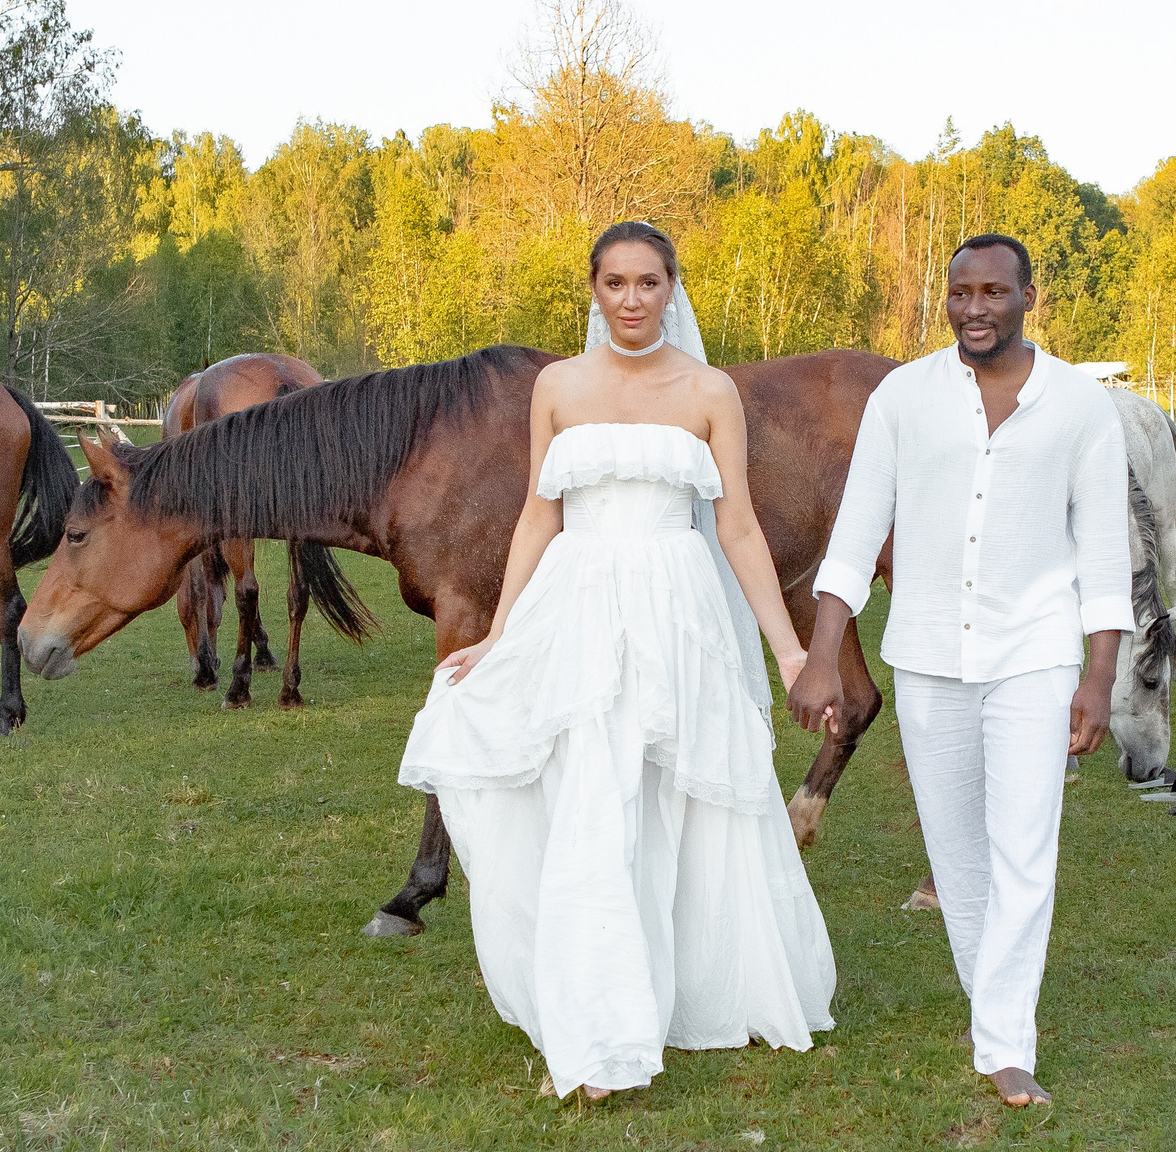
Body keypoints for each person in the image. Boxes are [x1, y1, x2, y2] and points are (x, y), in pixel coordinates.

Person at [399, 220, 837, 1100]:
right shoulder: (558, 387)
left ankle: (691, 987)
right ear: (594, 290)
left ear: (673, 287)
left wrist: (790, 651)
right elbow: (536, 514)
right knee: (592, 797)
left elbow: (740, 526)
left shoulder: (711, 391)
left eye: (648, 282)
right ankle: (600, 1031)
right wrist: (501, 630)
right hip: (581, 602)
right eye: (615, 283)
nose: (632, 300)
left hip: (680, 606)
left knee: (677, 795)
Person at [787, 234, 1131, 1107]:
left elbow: (1101, 550)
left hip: (1038, 655)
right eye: (960, 292)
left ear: (1027, 297)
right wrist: (823, 653)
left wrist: (1099, 677)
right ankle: (996, 1006)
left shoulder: (1081, 407)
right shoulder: (904, 396)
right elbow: (858, 529)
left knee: (1024, 849)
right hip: (931, 655)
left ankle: (1008, 1041)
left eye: (993, 292)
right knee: (956, 849)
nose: (975, 308)